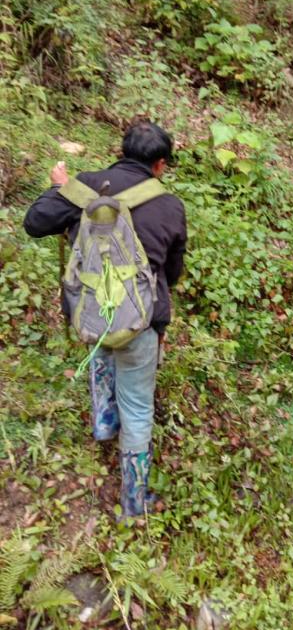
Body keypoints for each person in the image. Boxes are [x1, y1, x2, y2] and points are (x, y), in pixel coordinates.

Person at [24, 121, 187, 518]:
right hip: (141, 322)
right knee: (138, 405)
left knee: (100, 347)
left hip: (90, 312)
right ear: (160, 164)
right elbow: (174, 273)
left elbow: (34, 223)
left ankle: (103, 423)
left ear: (121, 150)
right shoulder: (170, 206)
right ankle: (134, 500)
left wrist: (62, 187)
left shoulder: (87, 185)